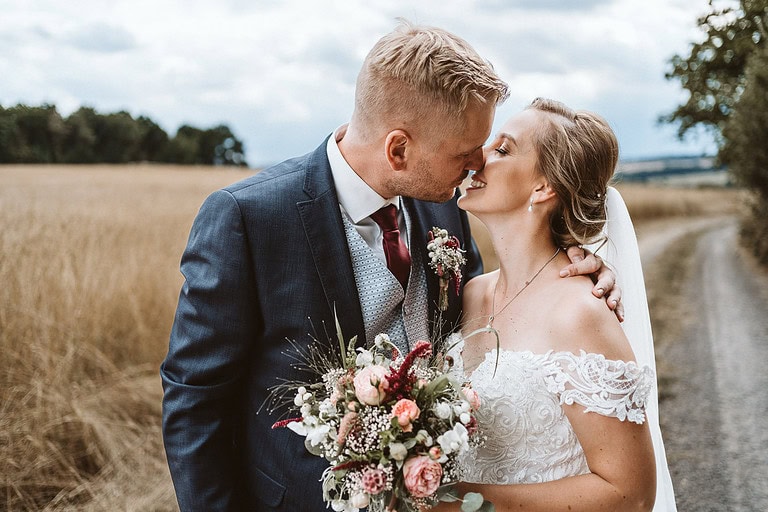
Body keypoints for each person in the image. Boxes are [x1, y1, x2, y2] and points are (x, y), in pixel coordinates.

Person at [160, 22, 619, 512]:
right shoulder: (248, 218)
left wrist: (568, 274)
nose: (477, 164)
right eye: (464, 152)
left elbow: (487, 326)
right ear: (398, 149)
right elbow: (195, 400)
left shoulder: (446, 208)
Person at [433, 98, 677, 511]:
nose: (477, 159)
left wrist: (465, 503)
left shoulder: (580, 312)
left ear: (543, 187)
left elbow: (630, 495)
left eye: (502, 149)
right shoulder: (472, 293)